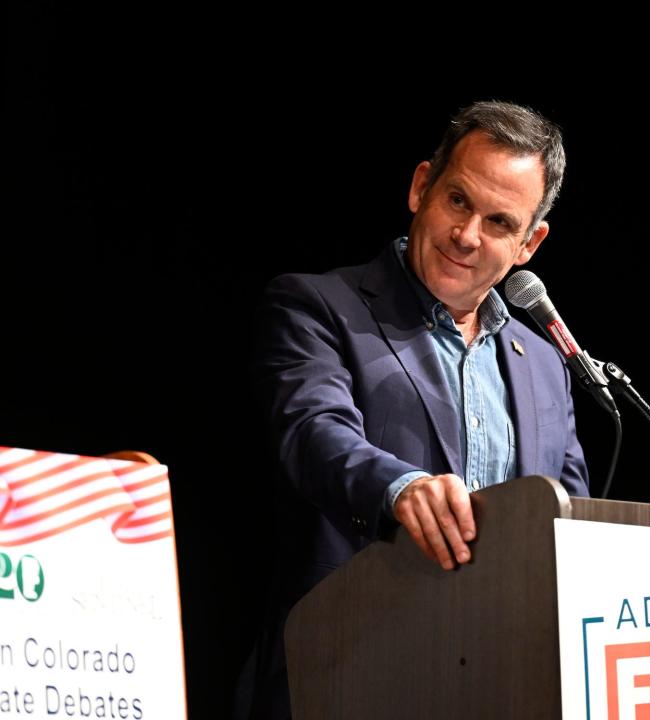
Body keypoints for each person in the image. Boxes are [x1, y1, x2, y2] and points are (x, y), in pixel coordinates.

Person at [236, 100, 590, 719]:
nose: (467, 235)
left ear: (529, 242)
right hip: (347, 675)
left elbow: (569, 519)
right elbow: (315, 434)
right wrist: (401, 489)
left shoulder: (544, 362)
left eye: (500, 221)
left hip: (505, 689)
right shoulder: (318, 308)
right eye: (458, 201)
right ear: (421, 185)